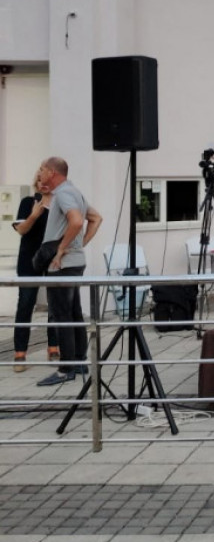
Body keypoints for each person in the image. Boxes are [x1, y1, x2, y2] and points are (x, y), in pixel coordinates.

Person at [33, 157, 102, 387]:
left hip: (61, 265)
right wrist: (78, 246)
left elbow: (76, 222)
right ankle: (79, 362)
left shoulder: (63, 194)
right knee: (73, 312)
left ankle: (66, 369)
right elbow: (96, 218)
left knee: (61, 315)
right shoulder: (74, 192)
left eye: (42, 169)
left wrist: (62, 249)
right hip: (73, 263)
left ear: (52, 172)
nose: (39, 173)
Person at [11, 171, 60, 372]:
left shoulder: (59, 205)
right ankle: (20, 353)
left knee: (55, 304)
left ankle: (53, 348)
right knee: (25, 303)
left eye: (46, 180)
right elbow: (21, 230)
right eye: (39, 180)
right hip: (28, 261)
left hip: (52, 260)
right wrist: (34, 215)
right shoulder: (28, 202)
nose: (42, 183)